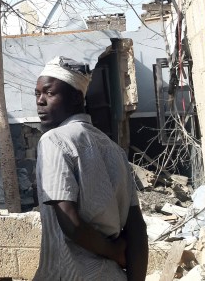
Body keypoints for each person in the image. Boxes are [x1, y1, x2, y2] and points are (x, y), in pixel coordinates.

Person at [32, 56, 148, 281]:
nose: (40, 101)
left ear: (77, 98)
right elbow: (136, 228)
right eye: (37, 94)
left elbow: (70, 222)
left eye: (49, 93)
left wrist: (112, 250)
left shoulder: (53, 141)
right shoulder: (114, 149)